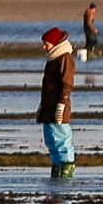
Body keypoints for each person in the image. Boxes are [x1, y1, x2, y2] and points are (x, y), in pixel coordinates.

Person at [37, 26, 76, 178]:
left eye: (46, 43)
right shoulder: (52, 58)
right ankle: (57, 171)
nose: (44, 47)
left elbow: (67, 84)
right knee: (51, 139)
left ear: (55, 43)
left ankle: (66, 175)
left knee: (62, 138)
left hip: (58, 107)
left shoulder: (65, 58)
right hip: (48, 107)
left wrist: (62, 103)